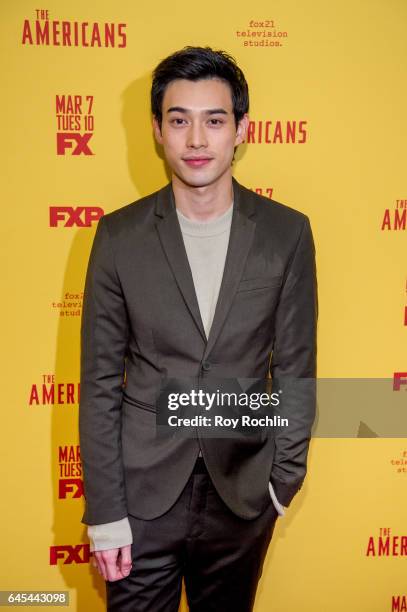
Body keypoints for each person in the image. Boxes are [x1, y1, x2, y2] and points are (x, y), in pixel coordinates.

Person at [79, 45, 318, 612]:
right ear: (158, 130)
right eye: (178, 120)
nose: (196, 139)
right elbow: (98, 383)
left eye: (214, 121)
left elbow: (295, 368)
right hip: (140, 499)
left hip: (243, 493)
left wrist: (281, 483)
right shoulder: (118, 238)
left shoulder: (287, 235)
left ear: (241, 131)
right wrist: (107, 513)